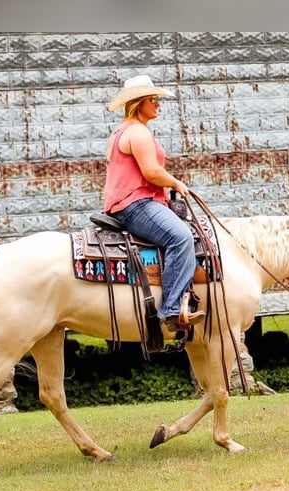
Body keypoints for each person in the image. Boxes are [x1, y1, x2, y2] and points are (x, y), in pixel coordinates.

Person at [103, 74, 205, 332]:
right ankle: (171, 311)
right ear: (140, 102)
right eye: (154, 99)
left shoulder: (124, 131)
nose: (158, 104)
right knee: (181, 237)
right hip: (135, 203)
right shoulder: (136, 132)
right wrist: (176, 183)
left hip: (136, 201)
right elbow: (151, 171)